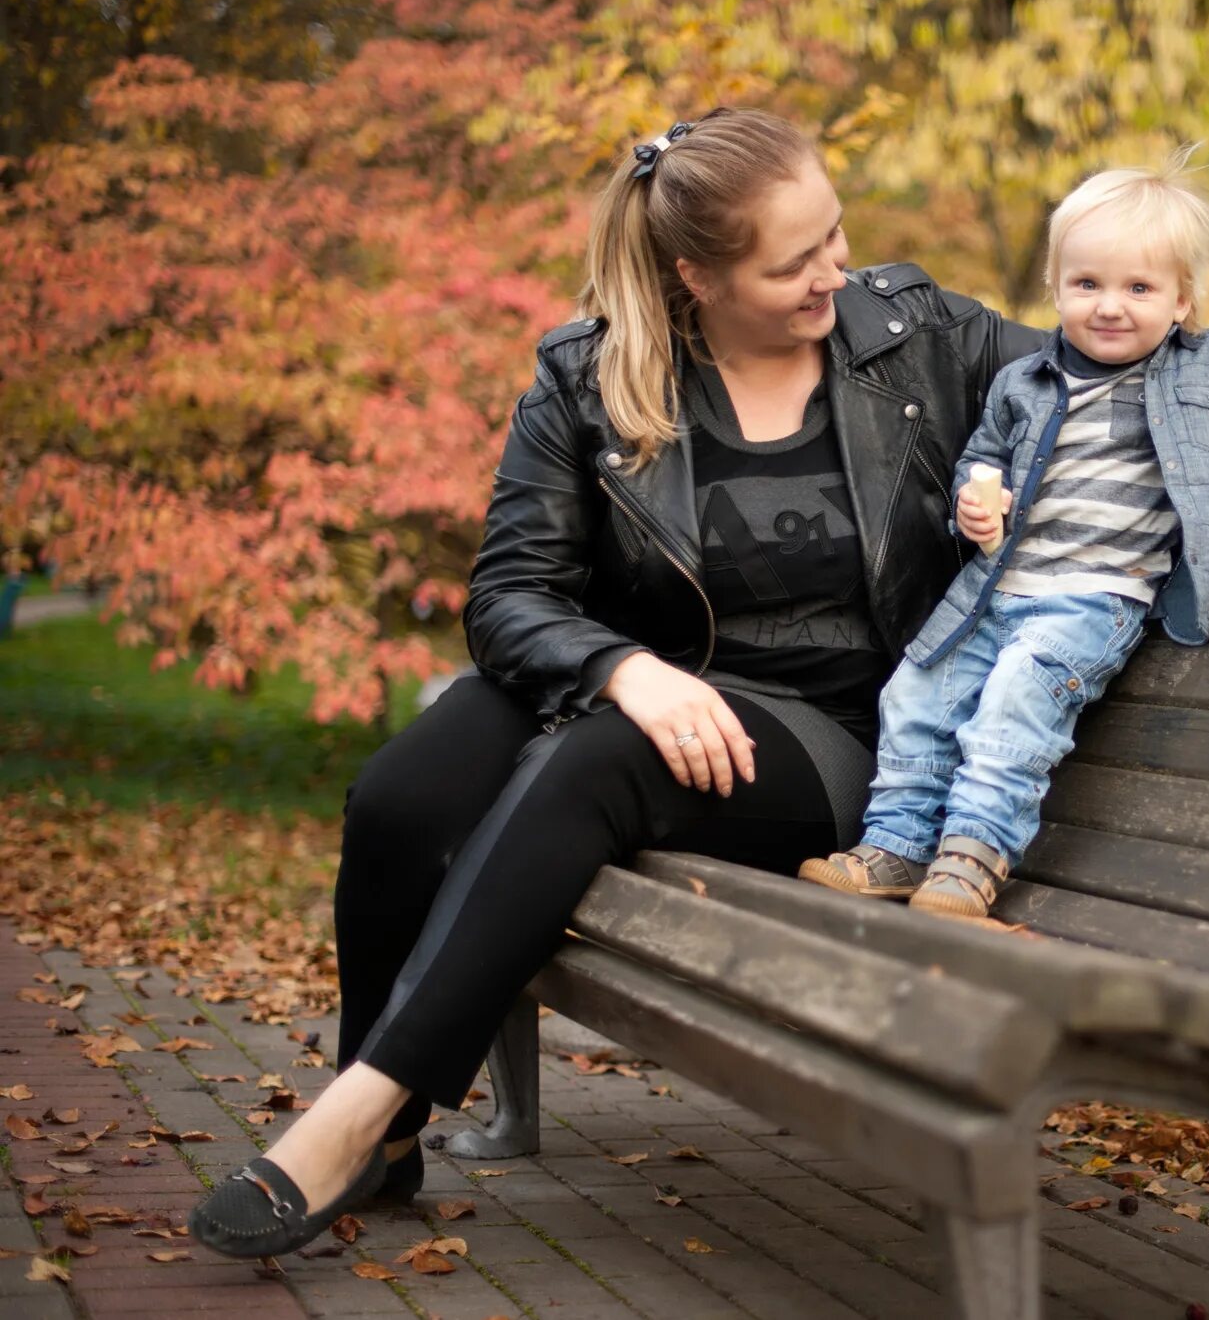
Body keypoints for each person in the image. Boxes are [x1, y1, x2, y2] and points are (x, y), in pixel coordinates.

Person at [186, 107, 1047, 1257]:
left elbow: (1110, 353)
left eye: (832, 236)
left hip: (838, 728)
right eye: (791, 263)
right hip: (633, 684)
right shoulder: (589, 378)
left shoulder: (918, 332)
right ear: (695, 275)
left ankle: (351, 1115)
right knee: (401, 797)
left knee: (596, 763)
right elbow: (507, 594)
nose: (831, 275)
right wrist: (624, 667)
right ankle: (388, 1147)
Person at [798, 153, 1209, 918]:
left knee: (1015, 698)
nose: (1111, 306)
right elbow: (983, 458)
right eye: (1088, 284)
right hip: (992, 589)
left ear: (1182, 301)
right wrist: (975, 508)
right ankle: (898, 846)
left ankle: (971, 856)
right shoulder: (1022, 383)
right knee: (915, 691)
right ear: (1056, 288)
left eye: (1139, 288)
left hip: (1089, 600)